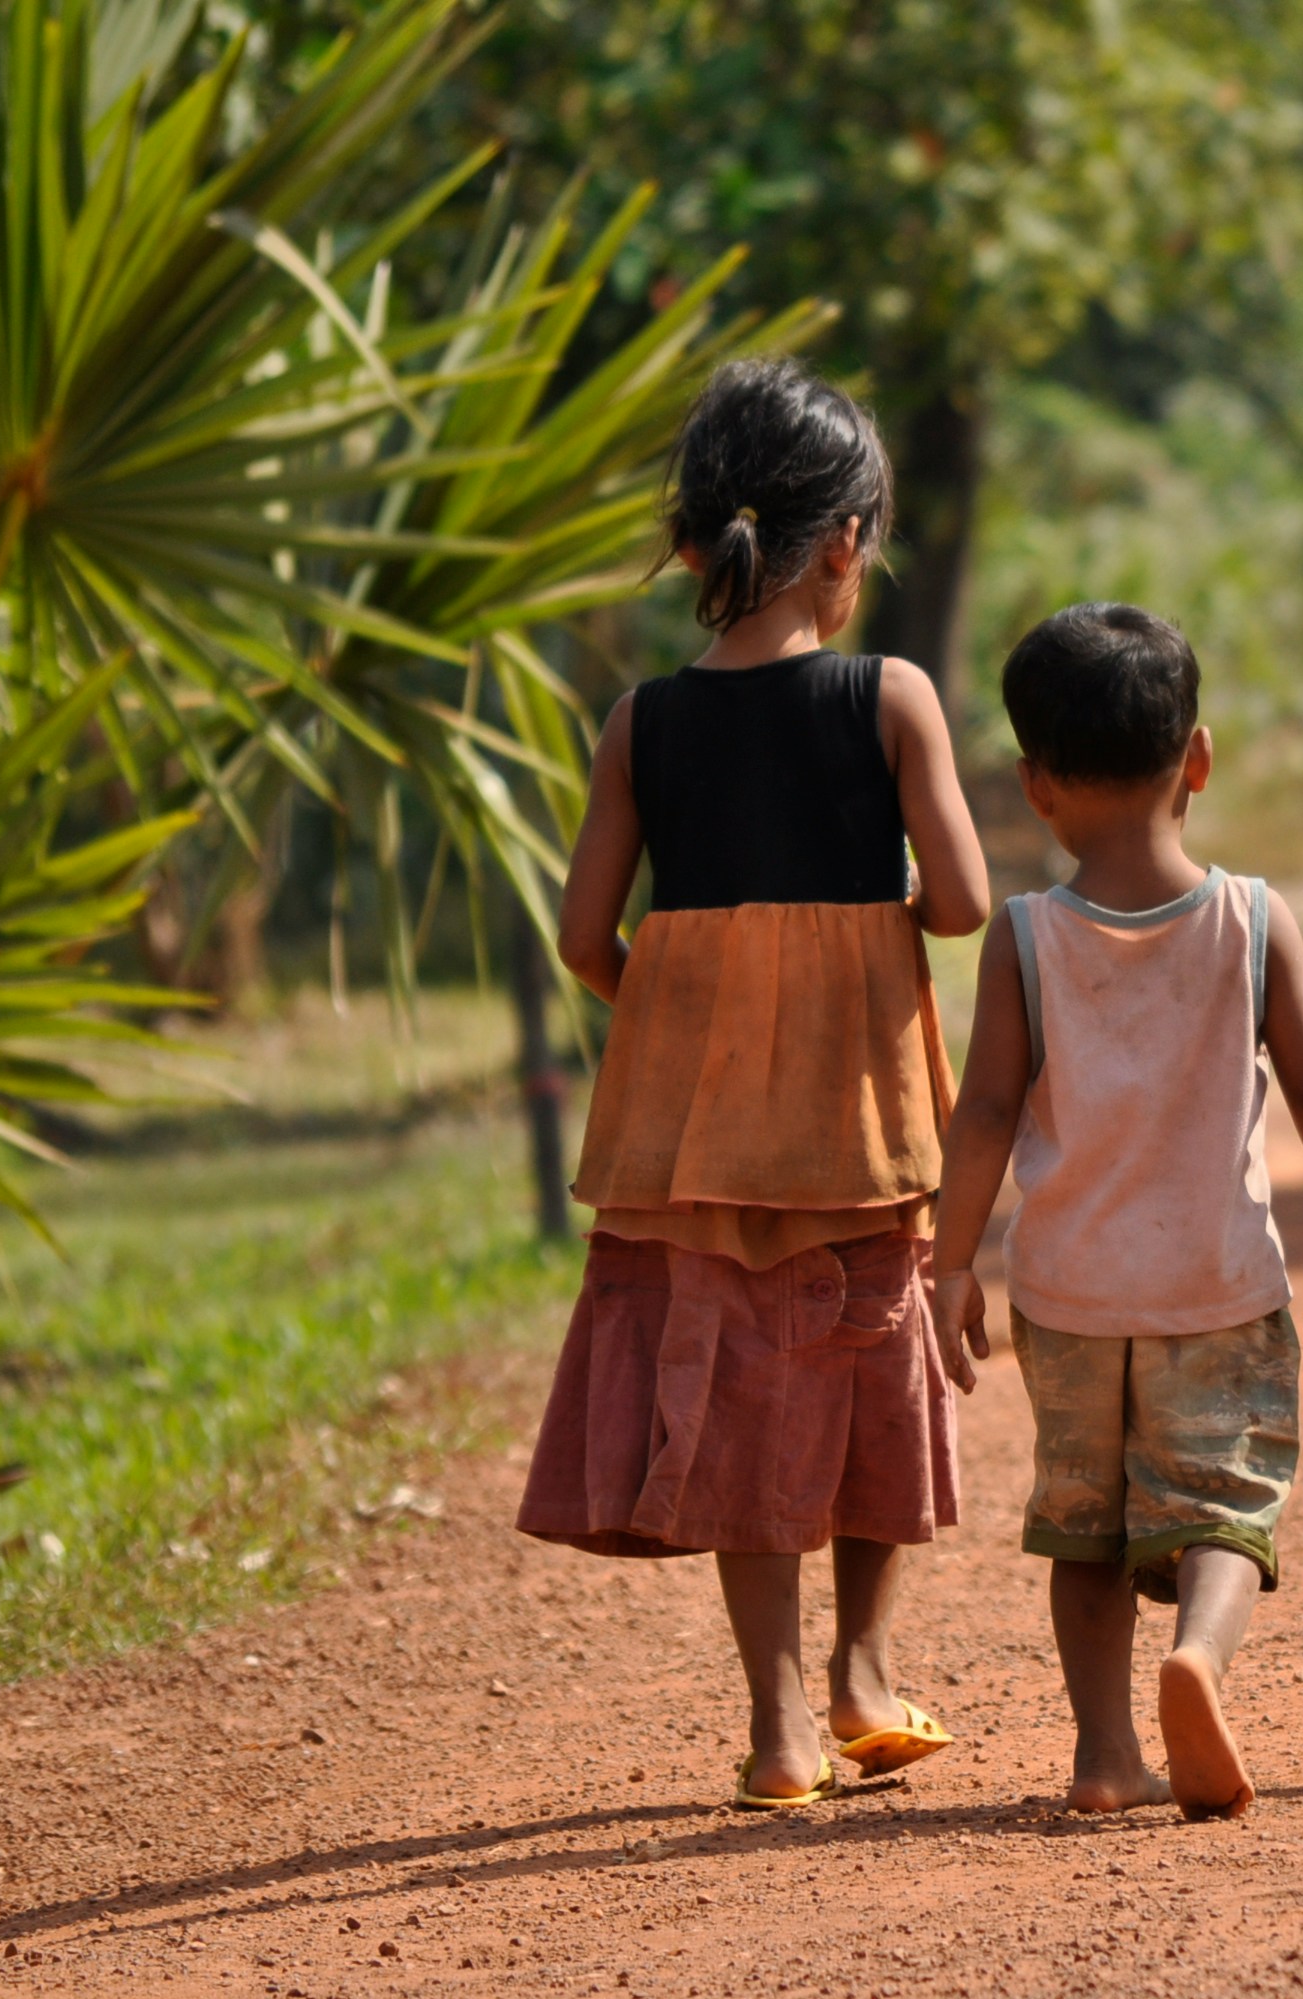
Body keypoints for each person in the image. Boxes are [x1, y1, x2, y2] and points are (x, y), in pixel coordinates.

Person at [515, 359, 992, 1812]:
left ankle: (780, 1726)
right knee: (869, 1377)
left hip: (697, 1139)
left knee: (734, 1396)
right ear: (845, 544)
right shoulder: (889, 695)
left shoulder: (640, 722)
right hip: (860, 1124)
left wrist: (684, 1015)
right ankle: (865, 1670)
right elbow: (964, 904)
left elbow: (585, 939)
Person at [930, 604, 1303, 1821]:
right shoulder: (1254, 921)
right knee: (1225, 1503)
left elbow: (985, 1113)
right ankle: (1199, 1657)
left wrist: (949, 1269)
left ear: (1037, 787)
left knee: (1085, 1530)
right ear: (1196, 760)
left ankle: (1105, 1756)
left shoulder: (1024, 939)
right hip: (1216, 1284)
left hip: (1068, 1294)